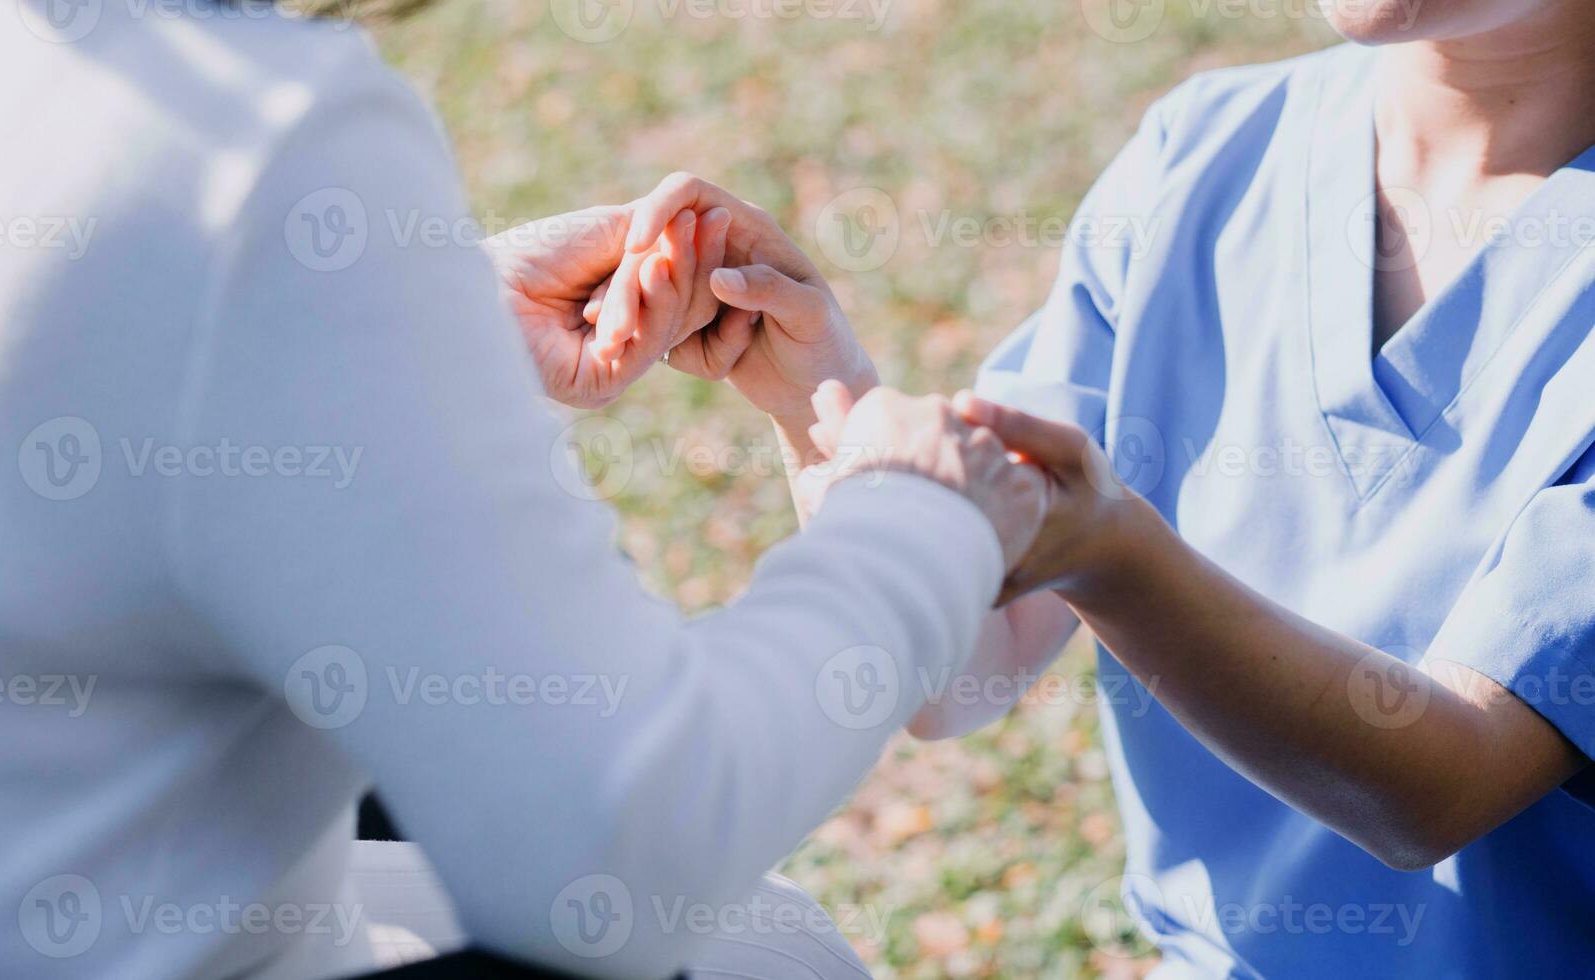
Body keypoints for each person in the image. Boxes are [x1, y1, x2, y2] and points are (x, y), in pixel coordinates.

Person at [0, 1, 1049, 978]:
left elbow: (26, 421)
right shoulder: (253, 124)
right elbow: (621, 859)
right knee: (764, 952)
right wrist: (907, 513)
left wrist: (422, 340)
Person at [625, 0, 1595, 975]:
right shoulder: (1203, 153)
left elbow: (1438, 789)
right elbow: (970, 666)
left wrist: (1115, 556)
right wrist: (818, 396)